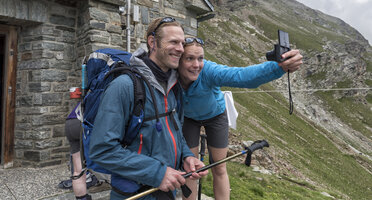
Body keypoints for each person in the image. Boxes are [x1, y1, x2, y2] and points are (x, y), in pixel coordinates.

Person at [89, 17, 208, 200]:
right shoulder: (125, 86)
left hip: (165, 190)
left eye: (182, 43)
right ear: (152, 42)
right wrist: (157, 173)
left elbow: (175, 132)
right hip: (136, 193)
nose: (180, 49)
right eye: (173, 42)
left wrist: (186, 157)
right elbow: (102, 149)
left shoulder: (173, 86)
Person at [178, 37, 303, 200]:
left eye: (200, 58)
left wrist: (279, 67)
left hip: (215, 116)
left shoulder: (208, 70)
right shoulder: (170, 73)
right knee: (190, 170)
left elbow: (241, 76)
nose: (196, 65)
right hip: (188, 119)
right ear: (179, 60)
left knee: (219, 167)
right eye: (189, 58)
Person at [64, 103, 95, 200]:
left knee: (78, 170)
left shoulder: (90, 93)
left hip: (70, 123)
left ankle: (82, 198)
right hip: (84, 124)